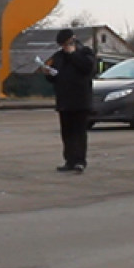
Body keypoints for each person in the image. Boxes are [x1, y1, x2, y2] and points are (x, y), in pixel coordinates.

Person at [41, 28, 96, 173]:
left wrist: (73, 54)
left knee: (79, 132)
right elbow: (55, 76)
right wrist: (48, 73)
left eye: (66, 44)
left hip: (80, 99)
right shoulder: (58, 56)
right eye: (62, 45)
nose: (64, 47)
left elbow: (87, 68)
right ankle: (69, 160)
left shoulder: (85, 53)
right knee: (67, 132)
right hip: (64, 100)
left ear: (73, 40)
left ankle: (80, 161)